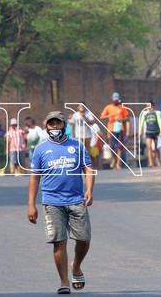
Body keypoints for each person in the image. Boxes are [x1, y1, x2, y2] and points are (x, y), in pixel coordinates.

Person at [27, 111, 95, 294]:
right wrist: (31, 204)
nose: (55, 127)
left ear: (64, 125)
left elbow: (88, 168)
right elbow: (34, 177)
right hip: (52, 201)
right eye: (51, 124)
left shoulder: (77, 145)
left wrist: (89, 189)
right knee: (59, 242)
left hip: (76, 199)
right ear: (46, 126)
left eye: (58, 124)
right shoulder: (40, 149)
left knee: (84, 238)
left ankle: (76, 265)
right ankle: (64, 281)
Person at [100, 92, 130, 170]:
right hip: (111, 129)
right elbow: (101, 116)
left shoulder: (122, 107)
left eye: (117, 100)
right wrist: (110, 115)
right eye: (114, 100)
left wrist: (121, 119)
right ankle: (114, 159)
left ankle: (117, 163)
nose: (116, 101)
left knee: (120, 147)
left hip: (120, 129)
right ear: (112, 100)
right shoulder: (108, 107)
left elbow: (127, 118)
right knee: (112, 146)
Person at [139, 100, 161, 167]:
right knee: (149, 147)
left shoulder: (157, 113)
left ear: (153, 105)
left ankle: (158, 160)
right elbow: (141, 123)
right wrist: (140, 133)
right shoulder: (145, 113)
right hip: (148, 132)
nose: (148, 107)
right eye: (147, 106)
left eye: (149, 106)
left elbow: (160, 122)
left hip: (156, 132)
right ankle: (151, 162)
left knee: (156, 148)